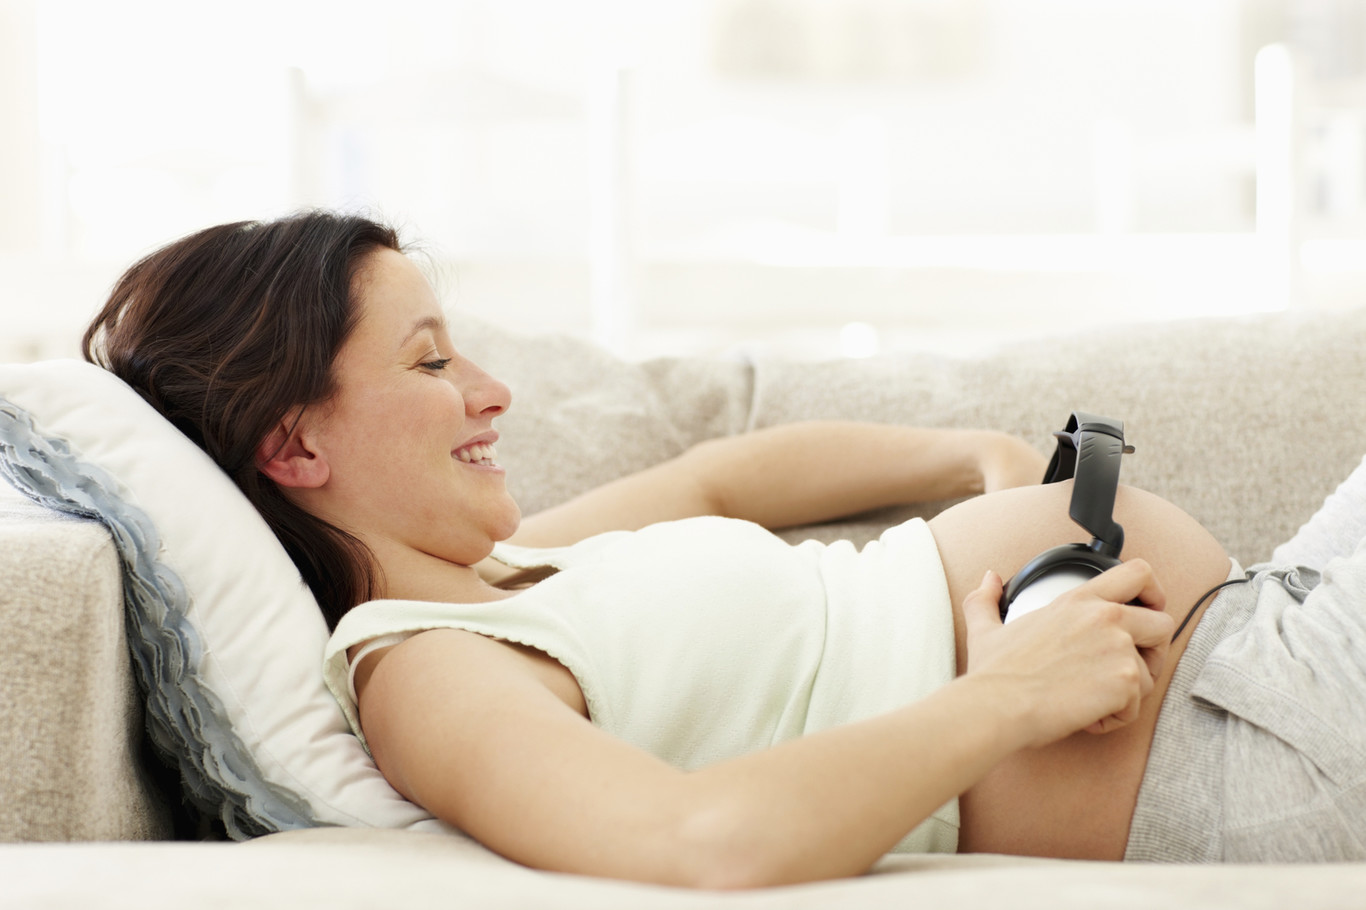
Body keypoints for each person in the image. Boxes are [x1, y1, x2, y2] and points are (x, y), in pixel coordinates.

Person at [81, 211, 1364, 888]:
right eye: (429, 363)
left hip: (1260, 624)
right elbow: (702, 838)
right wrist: (1007, 698)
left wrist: (962, 453)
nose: (490, 392)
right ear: (294, 443)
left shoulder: (511, 577)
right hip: (1239, 746)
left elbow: (721, 474)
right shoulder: (425, 672)